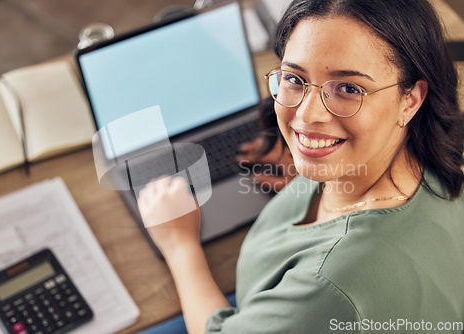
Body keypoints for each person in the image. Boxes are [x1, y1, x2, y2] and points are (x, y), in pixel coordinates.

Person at [137, 0, 464, 333]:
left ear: (410, 99)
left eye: (349, 88)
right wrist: (313, 169)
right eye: (294, 78)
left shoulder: (330, 285)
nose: (307, 115)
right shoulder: (430, 157)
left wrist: (179, 243)